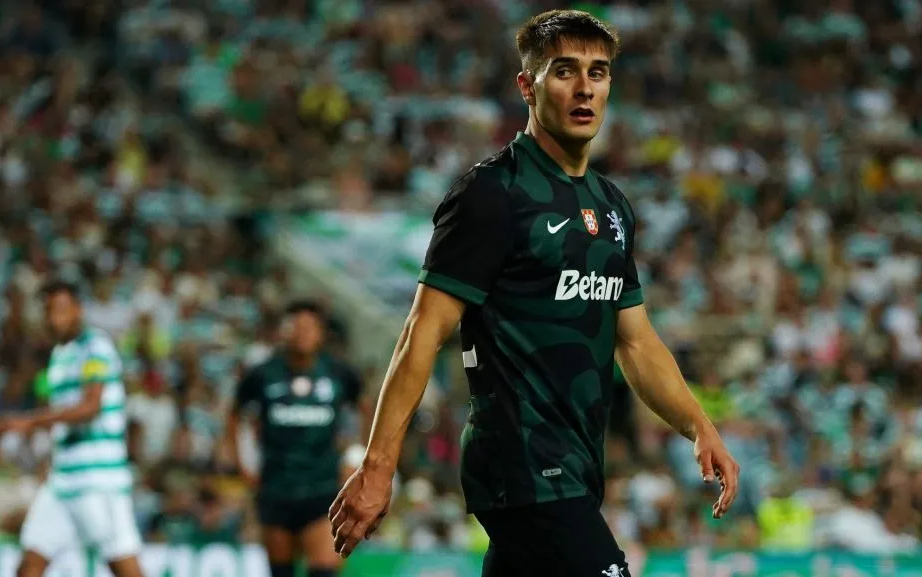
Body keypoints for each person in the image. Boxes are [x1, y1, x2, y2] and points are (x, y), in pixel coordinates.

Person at [329, 9, 740, 577]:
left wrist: (699, 425)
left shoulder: (611, 205)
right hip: (522, 465)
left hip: (575, 466)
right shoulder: (492, 193)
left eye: (598, 73)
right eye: (565, 71)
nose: (585, 87)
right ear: (528, 85)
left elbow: (637, 341)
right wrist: (379, 466)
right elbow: (420, 334)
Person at [0, 280, 145, 577]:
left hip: (98, 480)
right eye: (49, 311)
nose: (55, 318)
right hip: (63, 481)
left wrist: (30, 421)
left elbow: (90, 407)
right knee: (30, 563)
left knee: (124, 567)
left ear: (78, 309)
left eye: (62, 309)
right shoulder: (60, 355)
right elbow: (62, 419)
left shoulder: (96, 348)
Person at [229, 300, 367, 577]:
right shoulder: (263, 374)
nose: (302, 334)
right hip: (275, 486)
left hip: (324, 487)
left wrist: (358, 455)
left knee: (323, 570)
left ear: (321, 334)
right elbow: (233, 416)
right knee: (281, 572)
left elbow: (367, 408)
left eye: (309, 327)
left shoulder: (338, 372)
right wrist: (240, 463)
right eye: (296, 327)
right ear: (283, 331)